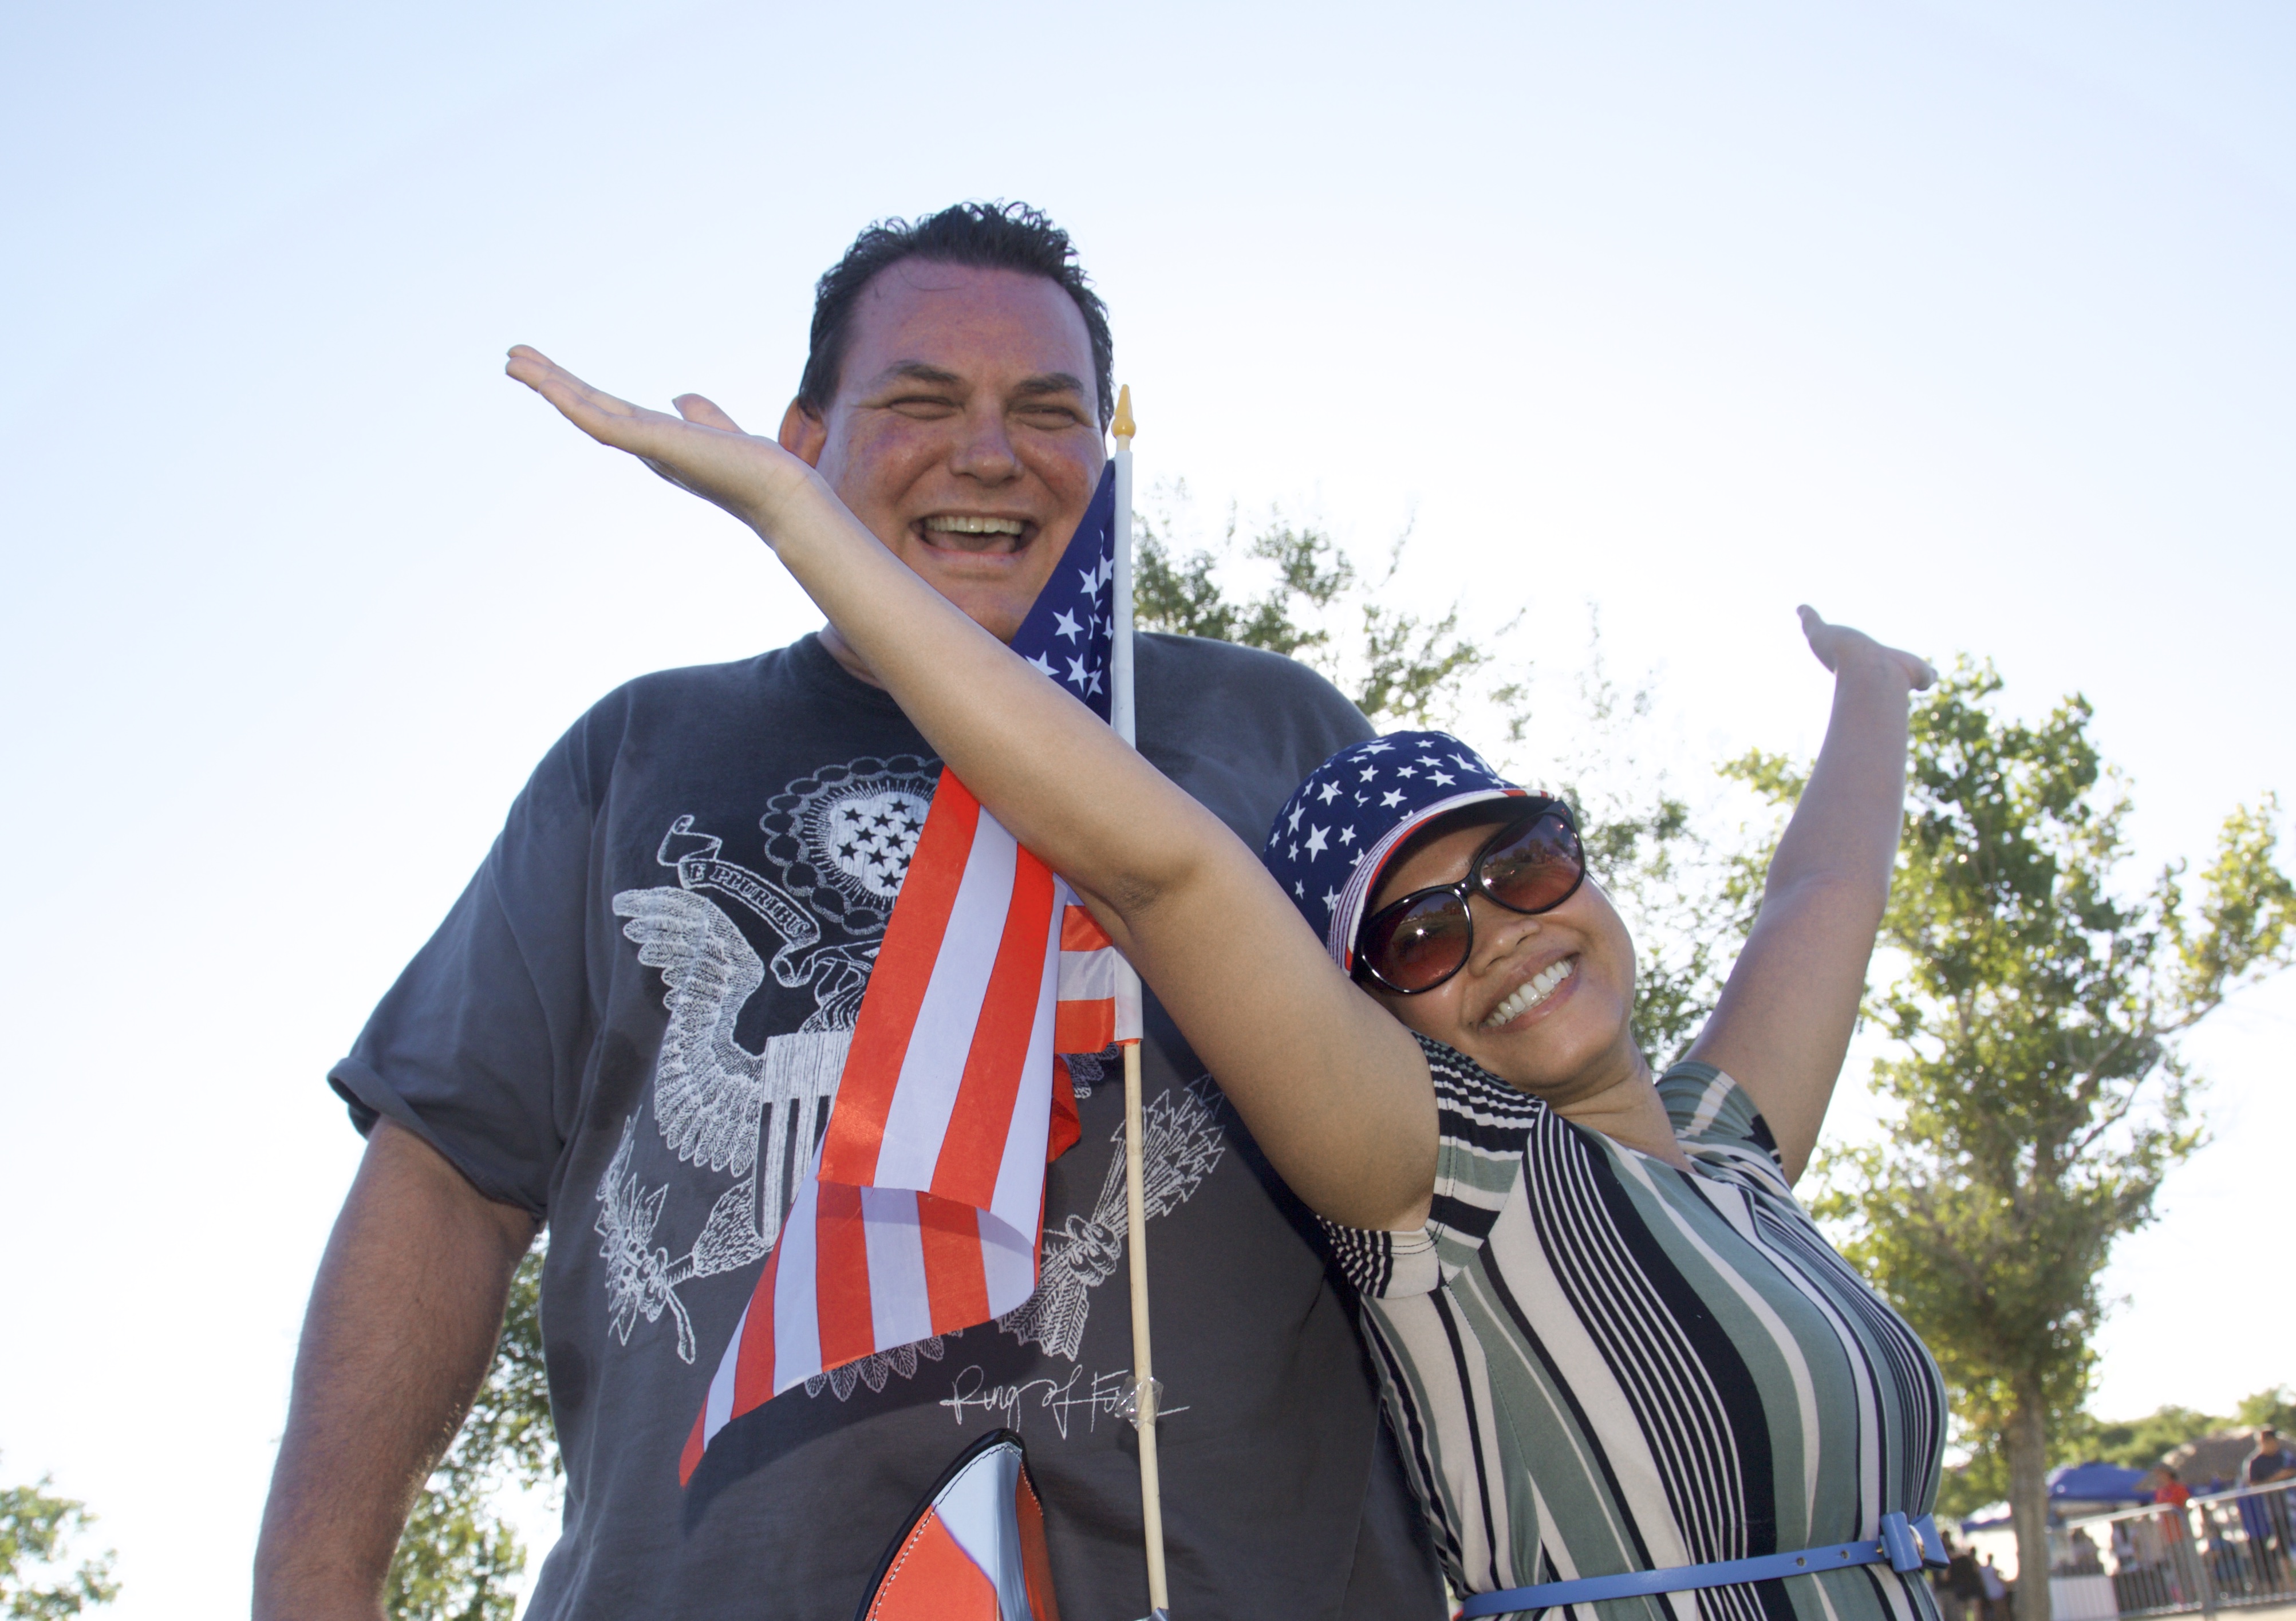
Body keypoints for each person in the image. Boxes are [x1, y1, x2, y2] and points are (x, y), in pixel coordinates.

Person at [509, 336, 1953, 1620]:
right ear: (1368, 1013)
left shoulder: (1726, 1146)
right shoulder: (1439, 1184)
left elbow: (1819, 897)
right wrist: (802, 521)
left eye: (1517, 867)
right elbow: (1160, 871)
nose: (1500, 933)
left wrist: (1872, 685)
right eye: (1420, 935)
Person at [252, 204, 1446, 1621]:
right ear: (801, 447)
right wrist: (314, 1592)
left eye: (1049, 412)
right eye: (921, 401)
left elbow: (1484, 1168)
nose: (990, 453)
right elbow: (446, 1171)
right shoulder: (638, 751)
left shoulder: (1272, 726)